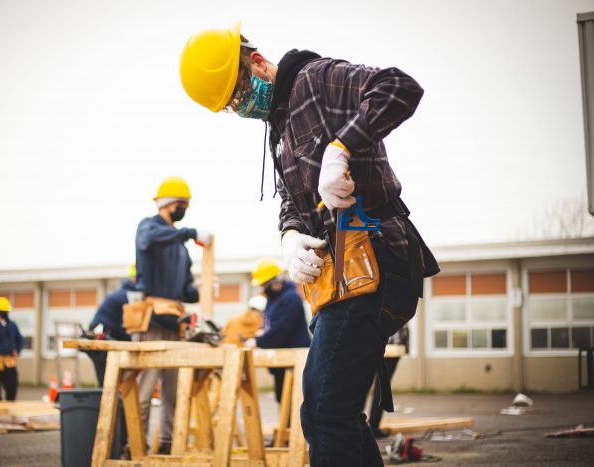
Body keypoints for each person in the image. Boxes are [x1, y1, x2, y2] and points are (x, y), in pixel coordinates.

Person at [180, 24, 439, 466]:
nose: (242, 107)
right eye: (232, 106)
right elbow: (291, 201)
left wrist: (341, 148)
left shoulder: (316, 80)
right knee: (331, 411)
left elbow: (399, 87)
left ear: (257, 60)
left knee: (323, 411)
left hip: (378, 258)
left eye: (240, 93)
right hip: (341, 277)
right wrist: (290, 235)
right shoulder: (279, 130)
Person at [134, 176, 211, 454]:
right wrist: (190, 232)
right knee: (144, 391)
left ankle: (167, 445)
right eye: (183, 205)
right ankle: (136, 448)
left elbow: (185, 291)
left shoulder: (180, 248)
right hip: (152, 319)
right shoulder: (149, 227)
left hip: (174, 322)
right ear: (170, 204)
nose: (185, 210)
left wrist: (201, 288)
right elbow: (151, 238)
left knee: (173, 391)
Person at [244, 258, 311, 404]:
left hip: (295, 361)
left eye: (263, 285)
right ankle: (285, 427)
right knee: (283, 400)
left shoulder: (291, 299)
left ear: (274, 283)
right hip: (282, 362)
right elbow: (270, 324)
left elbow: (281, 331)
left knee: (295, 404)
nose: (262, 289)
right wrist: (261, 332)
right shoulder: (273, 300)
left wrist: (258, 341)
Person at [84, 265, 136, 386]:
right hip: (102, 339)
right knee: (108, 382)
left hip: (101, 337)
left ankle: (109, 400)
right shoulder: (127, 296)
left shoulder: (122, 292)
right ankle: (107, 402)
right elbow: (127, 326)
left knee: (109, 380)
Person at [368, 326, 408, 438]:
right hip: (391, 347)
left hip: (375, 345)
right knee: (381, 388)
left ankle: (360, 425)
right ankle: (373, 427)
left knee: (365, 385)